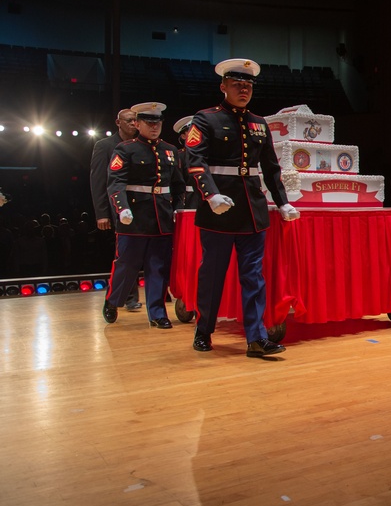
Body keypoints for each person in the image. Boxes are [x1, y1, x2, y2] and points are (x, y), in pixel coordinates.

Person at [185, 58, 300, 357]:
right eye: (237, 85)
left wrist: (283, 201)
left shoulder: (259, 123)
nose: (244, 90)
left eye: (248, 85)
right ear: (223, 87)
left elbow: (271, 168)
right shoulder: (205, 119)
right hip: (219, 211)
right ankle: (204, 331)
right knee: (212, 275)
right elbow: (195, 162)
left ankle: (256, 338)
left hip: (252, 211)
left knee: (253, 277)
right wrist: (210, 195)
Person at [101, 103, 187, 327]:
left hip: (162, 218)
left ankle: (158, 314)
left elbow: (178, 185)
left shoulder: (169, 150)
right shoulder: (125, 149)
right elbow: (115, 183)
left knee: (158, 266)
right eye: (149, 122)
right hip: (134, 217)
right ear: (137, 124)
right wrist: (122, 208)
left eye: (157, 122)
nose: (154, 126)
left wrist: (178, 208)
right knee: (127, 264)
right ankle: (113, 300)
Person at [89, 108, 142, 310]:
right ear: (118, 122)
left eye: (135, 121)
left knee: (140, 250)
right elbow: (98, 181)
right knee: (126, 252)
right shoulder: (105, 146)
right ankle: (127, 297)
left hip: (142, 204)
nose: (132, 124)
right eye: (128, 120)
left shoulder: (142, 144)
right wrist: (101, 213)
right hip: (118, 205)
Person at [172, 115, 200, 209]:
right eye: (191, 131)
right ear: (183, 136)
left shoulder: (210, 154)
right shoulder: (179, 156)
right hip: (189, 201)